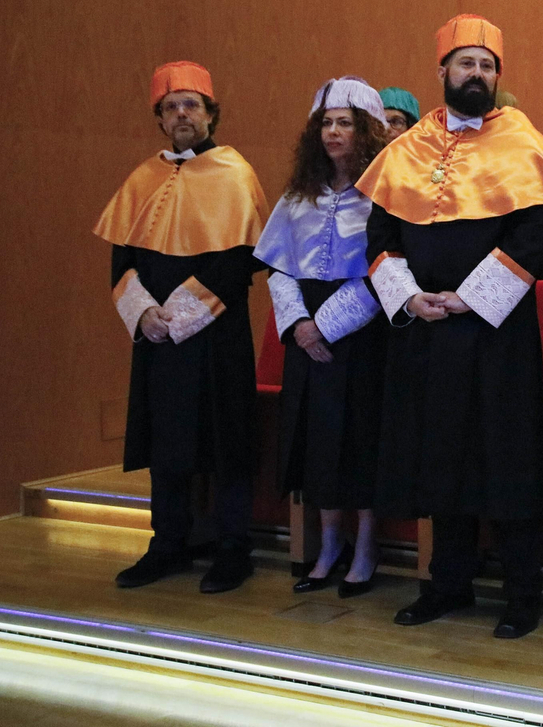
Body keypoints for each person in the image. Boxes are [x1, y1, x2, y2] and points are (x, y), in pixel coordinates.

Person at [359, 14, 543, 636]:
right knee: (436, 460)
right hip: (424, 330)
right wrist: (410, 296)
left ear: (498, 76)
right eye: (465, 63)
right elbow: (380, 234)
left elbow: (536, 233)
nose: (475, 74)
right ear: (442, 72)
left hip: (494, 334)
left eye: (486, 65)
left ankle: (522, 595)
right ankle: (445, 584)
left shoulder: (522, 141)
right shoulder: (408, 147)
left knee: (505, 460)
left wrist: (470, 298)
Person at [95, 62, 269, 593]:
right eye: (171, 108)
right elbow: (121, 260)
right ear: (160, 120)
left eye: (192, 105)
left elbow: (240, 262)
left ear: (211, 113)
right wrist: (146, 314)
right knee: (165, 441)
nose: (182, 114)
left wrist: (182, 316)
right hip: (157, 339)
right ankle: (166, 544)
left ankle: (233, 548)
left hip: (216, 335)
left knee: (224, 440)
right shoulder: (142, 178)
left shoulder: (235, 173)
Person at [255, 78, 390, 598]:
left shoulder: (383, 196)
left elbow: (384, 268)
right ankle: (329, 544)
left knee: (358, 441)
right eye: (327, 123)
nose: (334, 133)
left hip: (361, 335)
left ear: (367, 132)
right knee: (317, 444)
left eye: (346, 123)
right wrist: (299, 324)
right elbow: (278, 266)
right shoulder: (298, 195)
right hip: (306, 336)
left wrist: (329, 324)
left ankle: (365, 546)